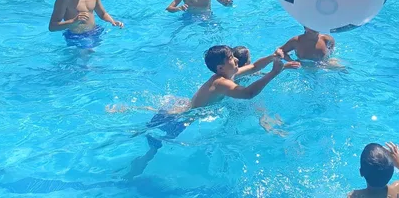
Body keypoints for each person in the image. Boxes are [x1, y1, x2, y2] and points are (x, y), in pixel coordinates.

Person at [116, 46, 300, 178]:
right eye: (231, 58)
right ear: (220, 68)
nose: (237, 60)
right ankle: (136, 167)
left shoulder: (227, 75)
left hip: (178, 109)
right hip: (180, 121)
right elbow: (248, 93)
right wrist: (274, 73)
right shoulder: (221, 83)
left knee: (145, 131)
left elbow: (254, 67)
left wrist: (272, 57)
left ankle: (131, 115)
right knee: (153, 149)